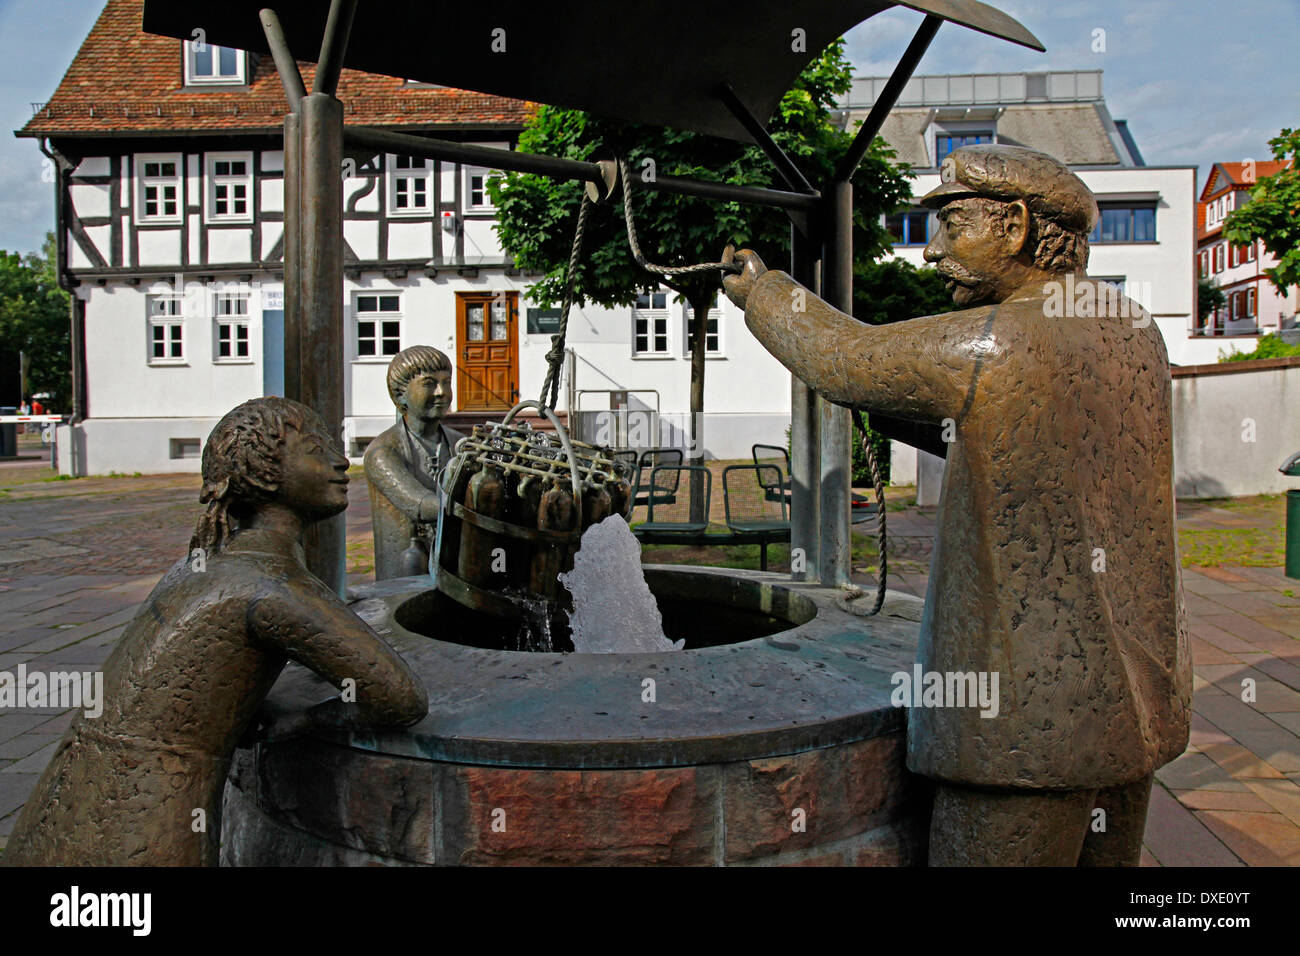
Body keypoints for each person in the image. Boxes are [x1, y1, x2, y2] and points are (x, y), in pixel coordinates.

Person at [722, 145, 1191, 866]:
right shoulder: (1134, 329)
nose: (932, 251)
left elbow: (842, 359)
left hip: (1019, 730)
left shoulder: (996, 341)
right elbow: (1049, 441)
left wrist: (763, 290)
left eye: (952, 224)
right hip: (1132, 716)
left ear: (1014, 223)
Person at [4, 396, 428, 866]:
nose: (338, 461)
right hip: (145, 820)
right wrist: (304, 718)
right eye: (315, 448)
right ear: (266, 474)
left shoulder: (196, 566)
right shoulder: (271, 587)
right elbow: (400, 698)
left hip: (69, 798)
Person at [364, 345, 464, 580]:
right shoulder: (382, 452)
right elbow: (418, 504)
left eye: (446, 382)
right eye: (429, 383)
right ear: (400, 394)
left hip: (454, 574)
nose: (442, 392)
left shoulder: (460, 444)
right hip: (404, 579)